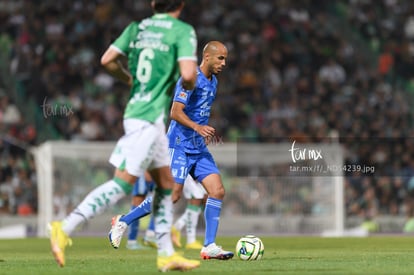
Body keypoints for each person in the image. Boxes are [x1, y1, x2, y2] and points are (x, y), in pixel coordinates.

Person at [48, 0, 200, 271]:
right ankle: (65, 226)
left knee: (166, 185)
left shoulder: (136, 28)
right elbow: (189, 74)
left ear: (154, 4)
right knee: (123, 184)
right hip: (148, 118)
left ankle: (166, 253)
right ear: (181, 4)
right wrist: (188, 82)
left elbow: (107, 60)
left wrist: (130, 80)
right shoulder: (182, 30)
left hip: (140, 114)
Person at [110, 40, 233, 260]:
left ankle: (209, 246)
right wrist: (198, 127)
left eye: (225, 58)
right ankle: (123, 221)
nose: (224, 63)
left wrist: (201, 132)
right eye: (220, 58)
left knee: (217, 191)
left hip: (198, 147)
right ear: (207, 57)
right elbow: (175, 112)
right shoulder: (190, 79)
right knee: (173, 195)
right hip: (178, 145)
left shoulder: (213, 81)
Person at [171, 175, 206, 250]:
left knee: (204, 199)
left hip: (200, 172)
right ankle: (191, 240)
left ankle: (177, 226)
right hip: (189, 172)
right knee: (197, 198)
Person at [125, 172, 156, 250]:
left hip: (155, 172)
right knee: (137, 201)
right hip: (144, 173)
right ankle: (131, 241)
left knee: (159, 201)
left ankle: (151, 234)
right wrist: (146, 172)